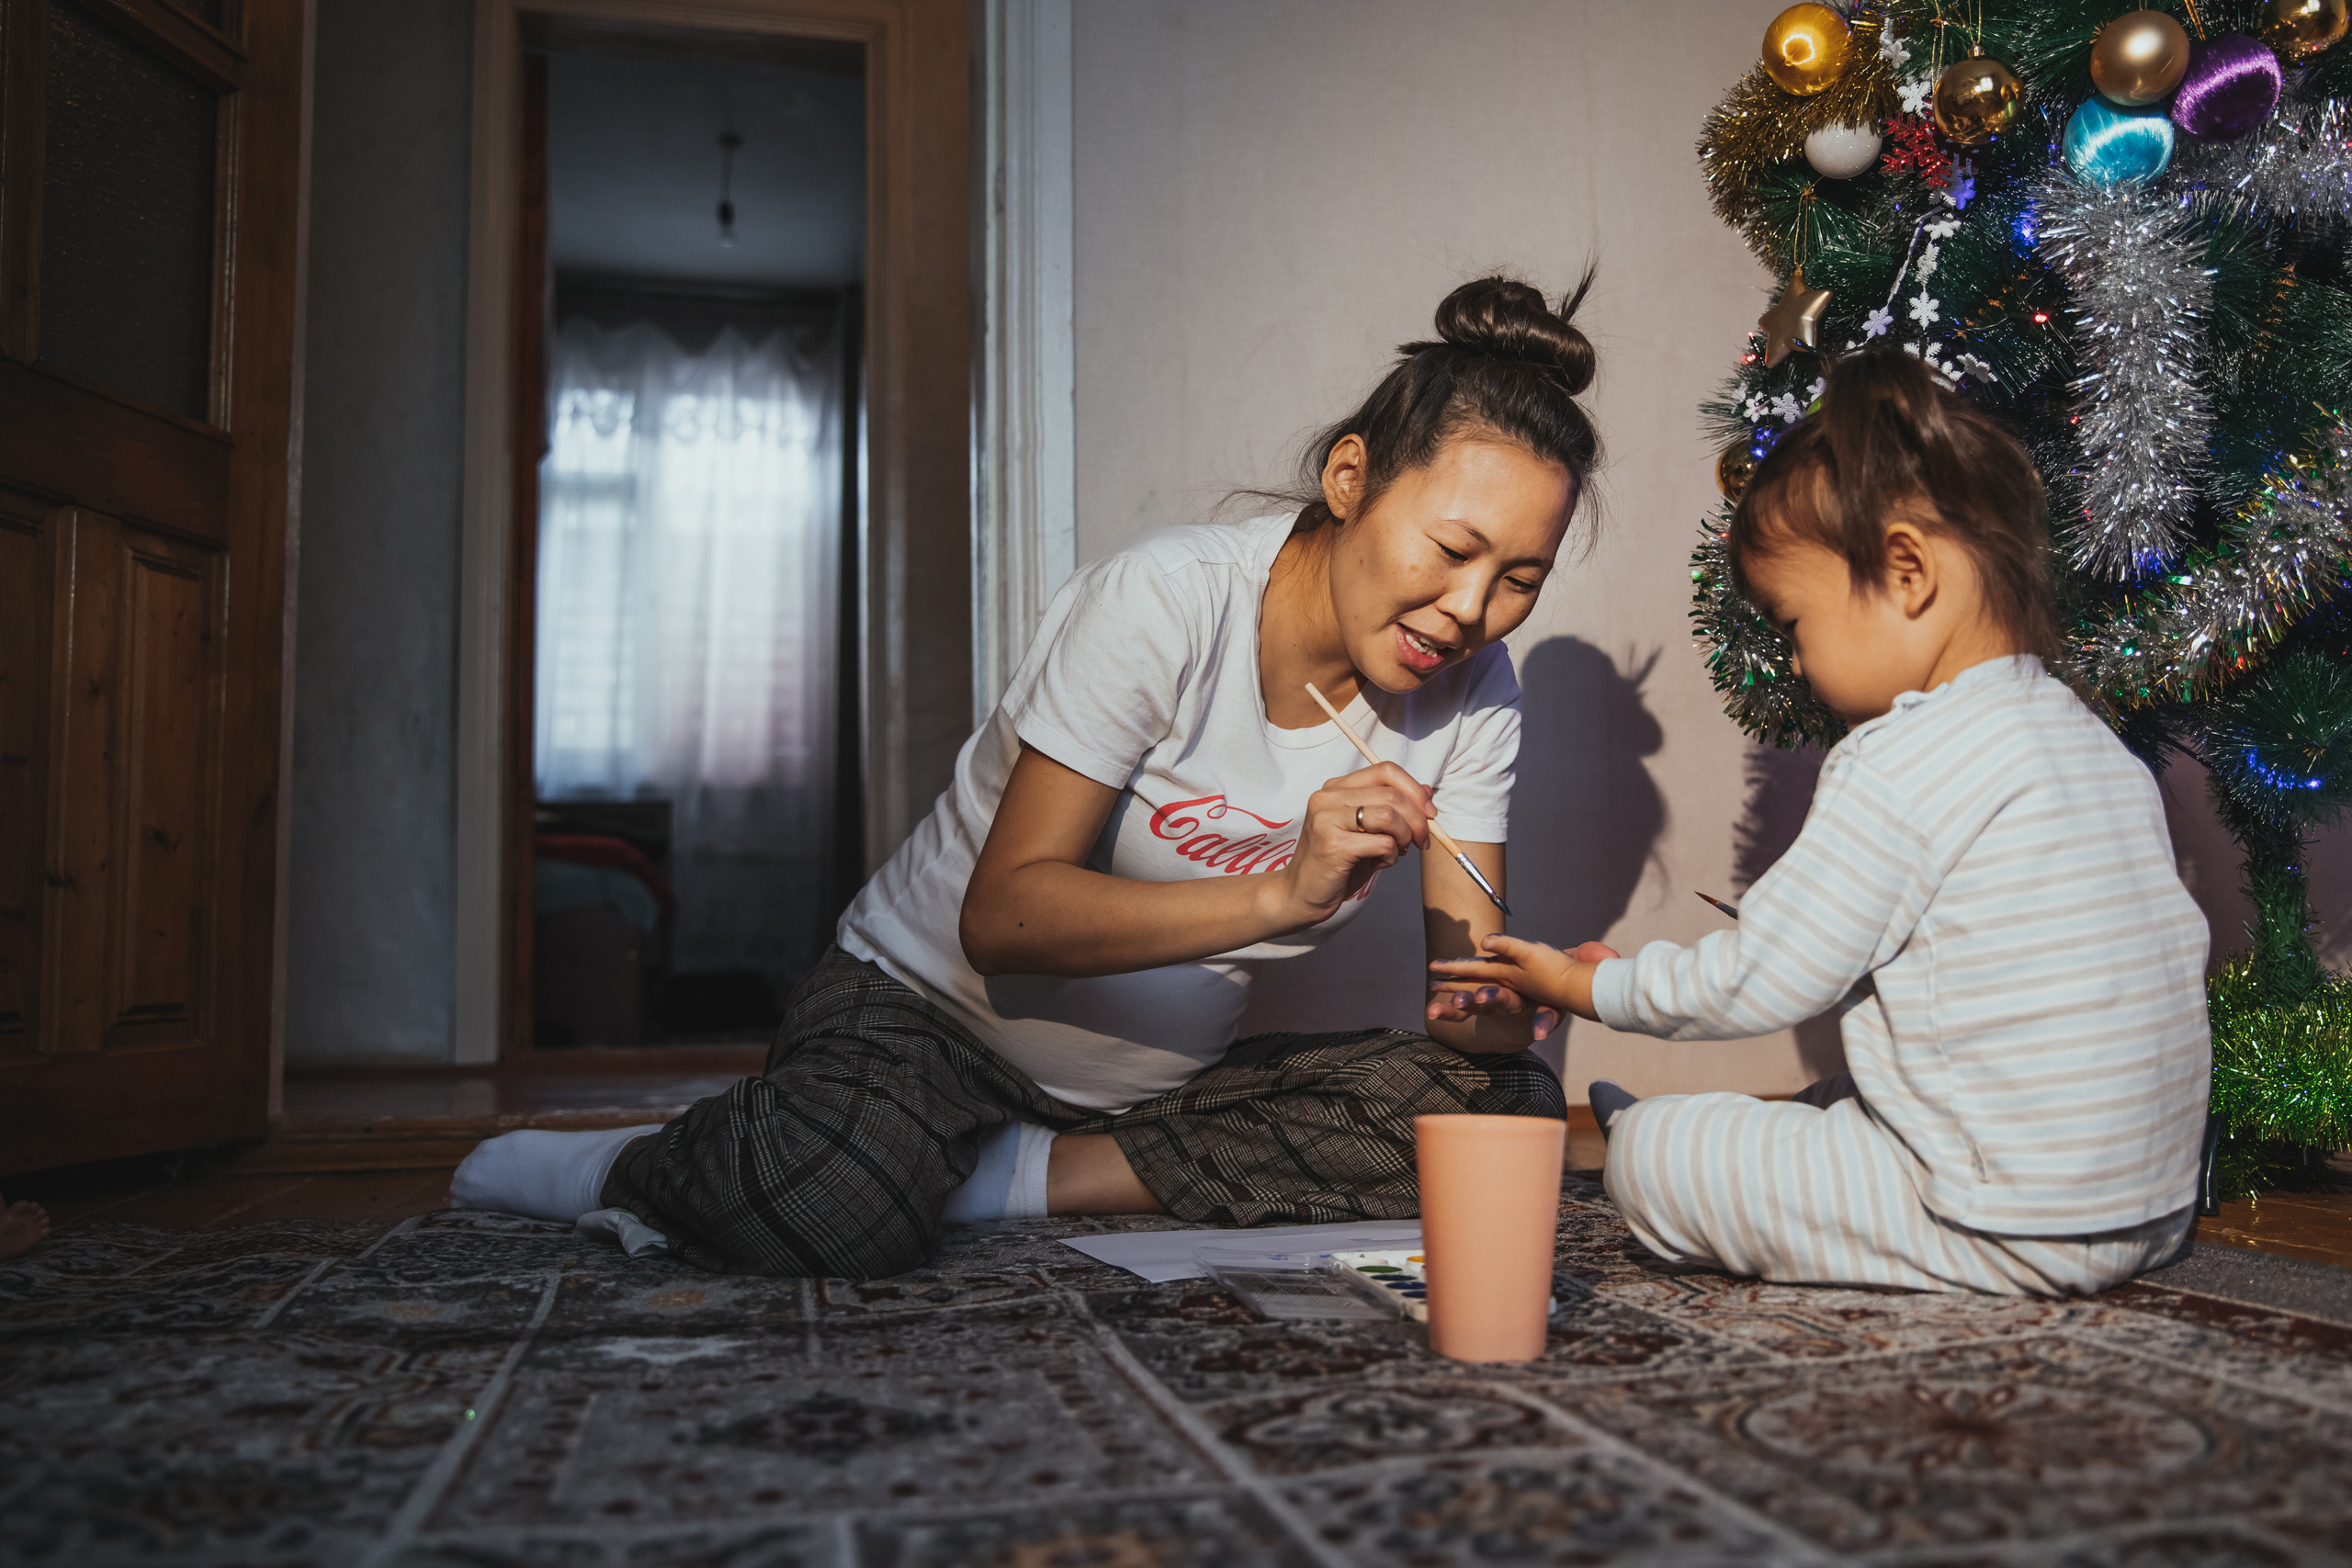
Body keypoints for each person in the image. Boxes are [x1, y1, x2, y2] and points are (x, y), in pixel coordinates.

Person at [454, 275, 1605, 1278]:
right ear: (1351, 478)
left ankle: (1007, 1179)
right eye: (1452, 551)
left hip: (1149, 1095)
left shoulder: (1475, 692)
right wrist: (1279, 894)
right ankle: (638, 1163)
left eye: (1518, 578)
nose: (1468, 610)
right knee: (832, 1209)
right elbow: (1003, 915)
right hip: (924, 1020)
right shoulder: (1163, 602)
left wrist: (1521, 1001)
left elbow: (1465, 1013)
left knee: (1498, 1118)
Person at [1430, 350, 2210, 1298]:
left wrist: (1596, 988)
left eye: (1793, 624)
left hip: (2001, 1219)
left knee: (1663, 1158)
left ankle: (1643, 1132)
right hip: (2152, 1207)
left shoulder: (1901, 758)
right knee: (1848, 1102)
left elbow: (1763, 978)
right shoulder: (2097, 751)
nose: (1795, 665)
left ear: (1906, 572)